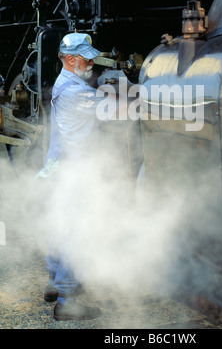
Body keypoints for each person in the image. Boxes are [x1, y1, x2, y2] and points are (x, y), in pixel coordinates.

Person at [37, 32, 116, 321]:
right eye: (86, 57)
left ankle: (53, 283)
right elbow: (116, 110)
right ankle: (67, 301)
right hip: (73, 169)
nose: (93, 61)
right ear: (71, 60)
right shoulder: (75, 92)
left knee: (61, 223)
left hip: (58, 166)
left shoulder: (67, 82)